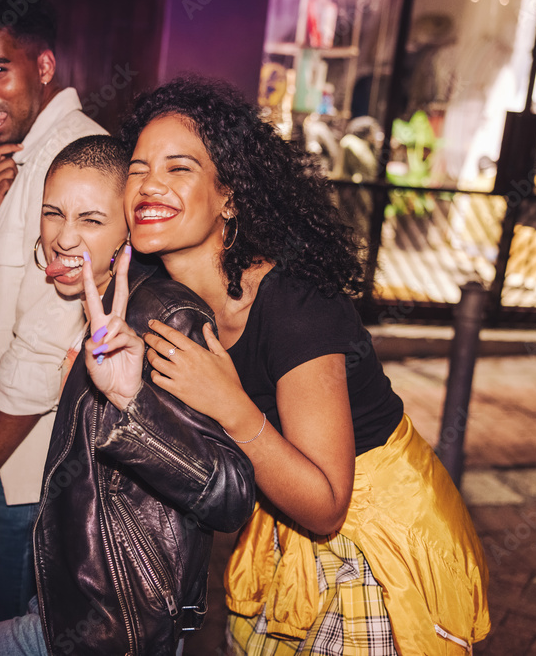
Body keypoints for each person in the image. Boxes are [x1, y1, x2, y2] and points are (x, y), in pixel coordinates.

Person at [120, 77, 490, 655]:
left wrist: (230, 406)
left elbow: (325, 504)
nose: (149, 186)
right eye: (138, 169)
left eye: (178, 168)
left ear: (231, 197)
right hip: (281, 516)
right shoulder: (164, 302)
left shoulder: (295, 304)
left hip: (372, 537)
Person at [0, 136, 255, 656]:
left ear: (129, 228)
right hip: (69, 609)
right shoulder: (84, 304)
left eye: (91, 220)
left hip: (120, 627)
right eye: (53, 213)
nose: (63, 237)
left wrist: (132, 402)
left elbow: (230, 495)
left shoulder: (166, 319)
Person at [0, 0, 107, 623]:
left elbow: (46, 349)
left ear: (43, 66)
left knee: (18, 630)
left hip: (23, 455)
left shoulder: (76, 164)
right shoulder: (17, 157)